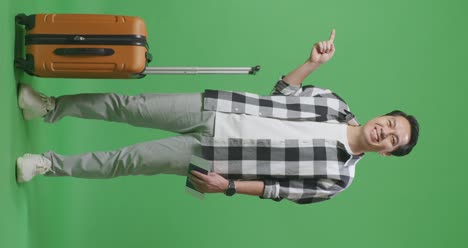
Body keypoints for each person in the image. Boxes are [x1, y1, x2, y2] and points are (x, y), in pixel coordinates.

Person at [15, 30, 420, 204]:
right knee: (129, 104)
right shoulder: (334, 103)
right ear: (384, 115)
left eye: (393, 140)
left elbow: (277, 191)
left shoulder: (339, 178)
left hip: (217, 157)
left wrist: (226, 187)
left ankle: (48, 165)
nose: (386, 132)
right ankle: (49, 107)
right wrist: (311, 63)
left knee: (130, 160)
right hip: (218, 108)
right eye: (391, 123)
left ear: (387, 153)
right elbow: (282, 94)